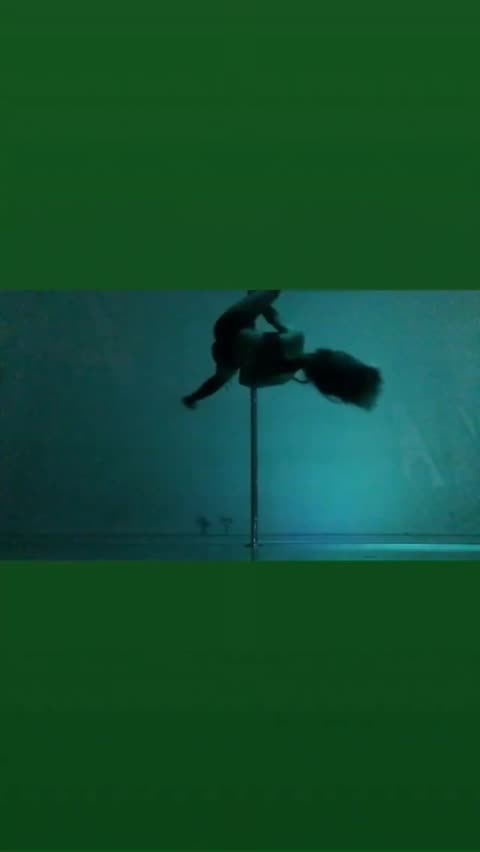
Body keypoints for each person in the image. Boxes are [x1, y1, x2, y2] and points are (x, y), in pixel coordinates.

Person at [182, 291, 382, 411]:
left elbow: (273, 318)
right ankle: (192, 398)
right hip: (229, 357)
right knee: (220, 378)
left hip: (229, 329)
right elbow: (246, 379)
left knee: (272, 291)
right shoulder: (283, 377)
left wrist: (261, 298)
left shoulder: (295, 341)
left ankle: (193, 397)